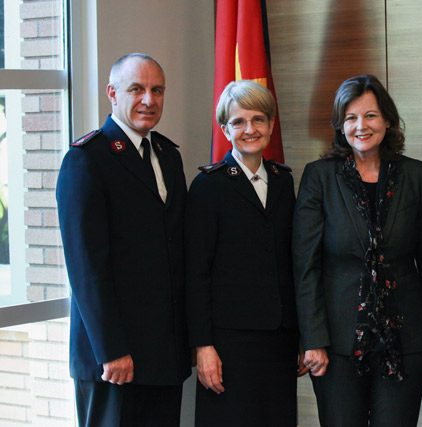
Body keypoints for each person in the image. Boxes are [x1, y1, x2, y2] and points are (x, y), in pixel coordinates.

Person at [293, 74, 422, 426]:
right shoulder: (319, 177)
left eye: (371, 115)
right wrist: (313, 339)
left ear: (388, 120)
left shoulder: (416, 176)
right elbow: (305, 265)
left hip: (406, 342)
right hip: (336, 344)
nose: (361, 126)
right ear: (340, 125)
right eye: (351, 117)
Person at [56, 53, 190, 426]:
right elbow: (86, 268)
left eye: (157, 90)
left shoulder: (168, 155)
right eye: (137, 89)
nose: (149, 100)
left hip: (164, 354)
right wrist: (112, 350)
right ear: (113, 93)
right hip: (113, 358)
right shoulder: (87, 160)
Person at [185, 80, 304, 426]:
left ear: (270, 125)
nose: (249, 129)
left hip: (279, 341)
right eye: (238, 122)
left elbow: (289, 264)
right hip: (228, 345)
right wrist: (203, 347)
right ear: (225, 129)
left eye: (258, 119)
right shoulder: (208, 186)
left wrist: (300, 337)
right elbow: (197, 273)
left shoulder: (283, 182)